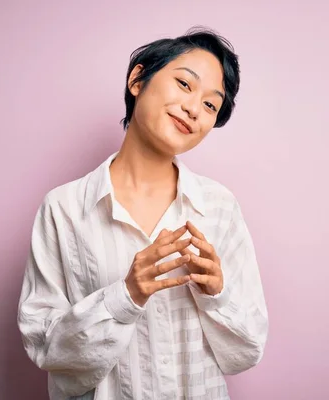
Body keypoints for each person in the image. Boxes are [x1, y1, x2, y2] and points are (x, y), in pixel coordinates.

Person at [17, 26, 269, 400]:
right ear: (138, 79)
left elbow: (248, 349)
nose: (193, 109)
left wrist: (217, 293)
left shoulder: (219, 207)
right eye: (185, 84)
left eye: (210, 105)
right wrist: (125, 295)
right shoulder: (65, 209)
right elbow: (44, 345)